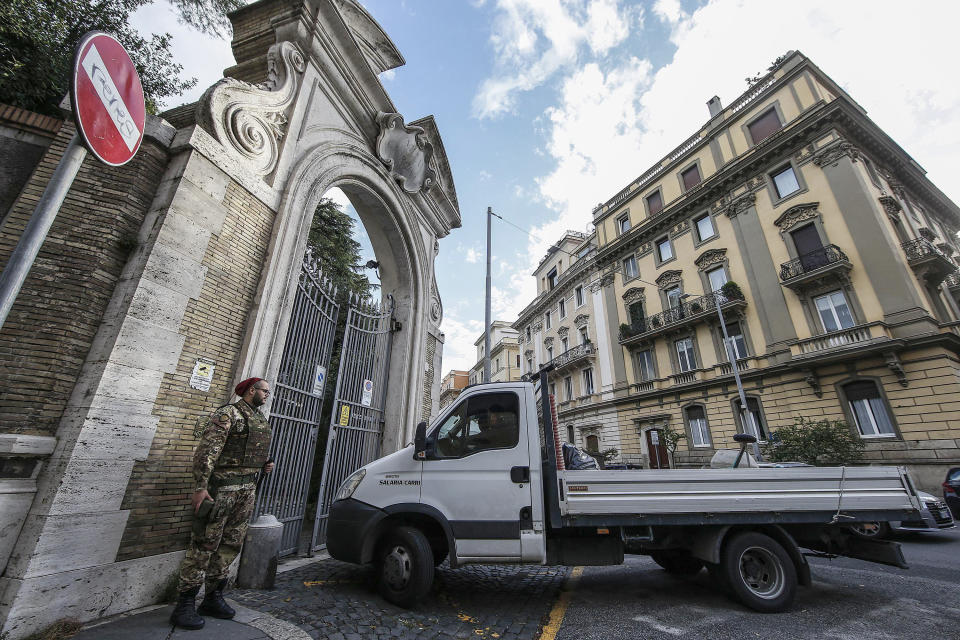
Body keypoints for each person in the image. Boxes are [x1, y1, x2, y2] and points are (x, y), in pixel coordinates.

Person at [170, 377, 276, 630]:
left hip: (246, 490)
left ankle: (213, 597)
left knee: (230, 544)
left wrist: (264, 465)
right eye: (265, 391)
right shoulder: (228, 414)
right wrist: (200, 487)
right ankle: (185, 603)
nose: (267, 395)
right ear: (252, 390)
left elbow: (250, 450)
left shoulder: (259, 418)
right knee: (205, 543)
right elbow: (207, 452)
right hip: (222, 491)